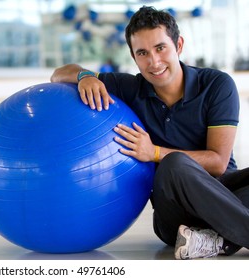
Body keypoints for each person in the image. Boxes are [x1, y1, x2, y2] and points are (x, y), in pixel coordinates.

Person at [50, 6, 249, 260]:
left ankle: (215, 240)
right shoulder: (130, 88)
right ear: (134, 57)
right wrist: (85, 76)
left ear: (178, 45)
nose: (154, 62)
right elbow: (58, 75)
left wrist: (153, 152)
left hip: (226, 195)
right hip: (175, 214)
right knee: (174, 164)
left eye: (160, 48)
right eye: (142, 53)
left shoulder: (216, 85)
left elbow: (219, 163)